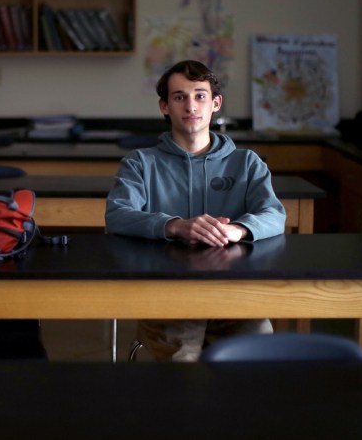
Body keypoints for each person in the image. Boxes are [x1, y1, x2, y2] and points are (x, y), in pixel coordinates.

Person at [105, 59, 286, 362]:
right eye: (179, 97)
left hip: (234, 299)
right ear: (165, 106)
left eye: (200, 95)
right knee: (182, 371)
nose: (191, 106)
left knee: (257, 363)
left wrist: (237, 229)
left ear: (216, 103)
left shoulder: (247, 163)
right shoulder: (139, 162)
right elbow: (117, 215)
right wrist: (175, 225)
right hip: (166, 300)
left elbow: (274, 214)